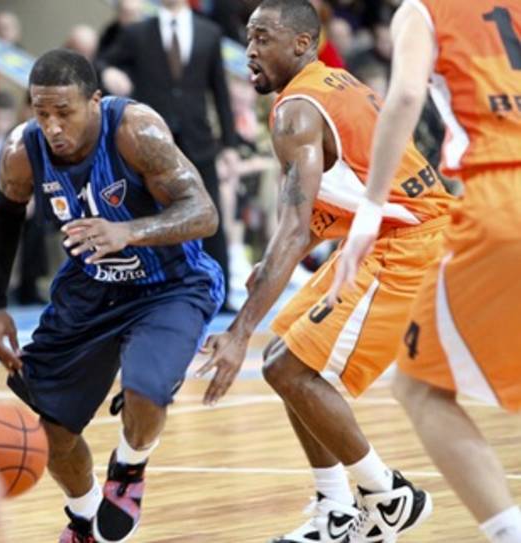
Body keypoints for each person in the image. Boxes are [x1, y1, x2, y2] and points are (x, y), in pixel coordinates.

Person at [197, 0, 454, 541]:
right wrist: (275, 260)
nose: (249, 51)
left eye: (262, 38)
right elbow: (340, 196)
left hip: (410, 243)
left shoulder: (297, 109)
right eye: (248, 38)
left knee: (288, 367)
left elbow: (295, 227)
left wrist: (238, 332)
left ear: (301, 44)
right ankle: (336, 509)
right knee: (285, 356)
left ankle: (387, 495)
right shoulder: (334, 83)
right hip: (390, 235)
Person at [0, 49, 224, 543]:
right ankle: (86, 516)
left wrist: (128, 232)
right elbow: (5, 215)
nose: (52, 126)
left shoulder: (135, 130)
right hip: (91, 289)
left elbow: (203, 213)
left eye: (64, 112)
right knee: (52, 429)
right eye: (41, 112)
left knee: (145, 390)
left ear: (95, 101)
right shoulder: (22, 150)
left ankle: (129, 469)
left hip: (170, 284)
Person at [329, 1, 521, 541]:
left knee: (419, 388)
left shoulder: (423, 10)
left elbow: (407, 95)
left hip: (501, 194)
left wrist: (370, 211)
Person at [98, 0, 240, 313]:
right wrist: (109, 71)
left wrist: (230, 145)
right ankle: (147, 291)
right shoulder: (137, 32)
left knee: (210, 213)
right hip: (150, 140)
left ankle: (220, 292)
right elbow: (103, 60)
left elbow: (219, 91)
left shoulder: (209, 32)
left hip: (198, 138)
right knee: (145, 213)